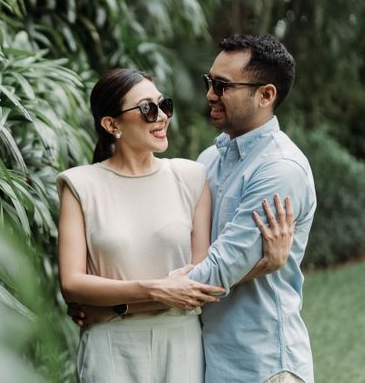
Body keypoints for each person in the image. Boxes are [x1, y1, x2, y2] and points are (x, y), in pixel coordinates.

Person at [57, 67, 293, 382]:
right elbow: (72, 283)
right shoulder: (79, 184)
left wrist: (267, 263)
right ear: (111, 124)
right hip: (110, 348)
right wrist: (152, 291)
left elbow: (199, 280)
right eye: (147, 109)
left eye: (163, 105)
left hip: (181, 344)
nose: (162, 117)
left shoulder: (191, 177)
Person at [186, 35, 316, 383]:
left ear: (266, 95)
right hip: (211, 361)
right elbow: (187, 251)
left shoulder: (280, 169)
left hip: (262, 365)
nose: (210, 94)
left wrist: (116, 302)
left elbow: (216, 272)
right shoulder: (209, 159)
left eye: (222, 85)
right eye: (209, 82)